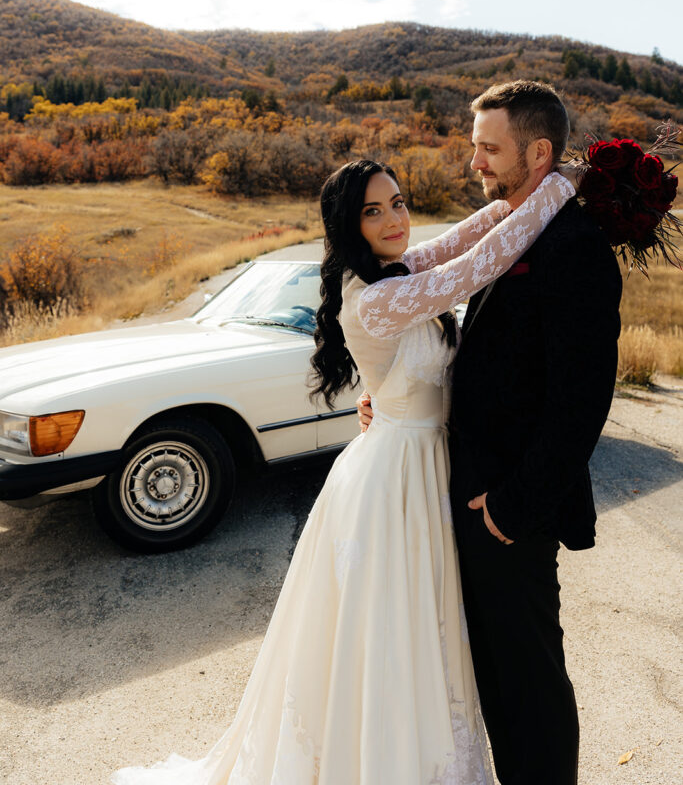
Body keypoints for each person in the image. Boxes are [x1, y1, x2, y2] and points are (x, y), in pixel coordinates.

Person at [112, 153, 574, 785]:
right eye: (373, 211)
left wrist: (525, 192)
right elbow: (475, 265)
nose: (394, 220)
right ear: (347, 225)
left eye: (400, 203)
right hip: (393, 479)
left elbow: (467, 235)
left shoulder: (397, 269)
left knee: (427, 628)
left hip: (422, 460)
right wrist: (563, 186)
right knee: (386, 627)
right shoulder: (378, 298)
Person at [360, 80, 623, 785]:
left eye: (488, 148)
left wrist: (511, 510)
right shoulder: (513, 229)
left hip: (508, 508)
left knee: (528, 678)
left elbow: (581, 403)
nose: (473, 162)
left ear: (537, 152)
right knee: (490, 674)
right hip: (464, 492)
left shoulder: (573, 246)